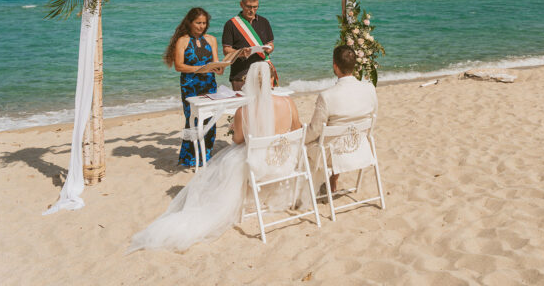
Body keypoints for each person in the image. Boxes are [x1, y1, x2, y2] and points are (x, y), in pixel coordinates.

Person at [129, 62, 300, 252]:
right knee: (230, 160)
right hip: (285, 163)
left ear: (249, 82)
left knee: (225, 162)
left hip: (259, 167)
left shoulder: (243, 111)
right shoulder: (288, 103)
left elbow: (237, 141)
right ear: (271, 79)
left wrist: (236, 129)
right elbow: (297, 129)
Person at [306, 45, 378, 192]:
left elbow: (315, 131)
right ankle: (331, 183)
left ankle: (311, 190)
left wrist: (300, 137)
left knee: (304, 146)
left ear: (335, 66)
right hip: (361, 148)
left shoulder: (326, 96)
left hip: (336, 155)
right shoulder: (369, 89)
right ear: (354, 65)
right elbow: (373, 115)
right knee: (335, 136)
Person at [164, 7, 224, 167]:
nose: (201, 26)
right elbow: (179, 66)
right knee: (193, 120)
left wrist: (221, 67)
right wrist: (200, 69)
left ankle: (206, 155)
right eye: (198, 23)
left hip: (210, 85)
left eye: (204, 23)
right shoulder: (182, 40)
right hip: (190, 86)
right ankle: (188, 158)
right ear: (190, 23)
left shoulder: (211, 39)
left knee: (210, 120)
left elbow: (217, 66)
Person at [222, 0, 276, 91]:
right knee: (243, 106)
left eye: (255, 7)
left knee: (264, 105)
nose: (252, 10)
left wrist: (269, 49)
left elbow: (271, 44)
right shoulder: (231, 24)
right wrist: (241, 53)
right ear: (241, 5)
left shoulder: (264, 22)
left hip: (262, 72)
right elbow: (226, 50)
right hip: (240, 74)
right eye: (248, 7)